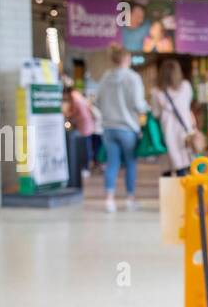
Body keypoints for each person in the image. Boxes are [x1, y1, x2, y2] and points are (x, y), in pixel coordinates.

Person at [95, 45, 150, 212]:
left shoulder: (105, 78)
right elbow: (138, 104)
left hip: (109, 128)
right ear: (127, 59)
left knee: (112, 163)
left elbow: (97, 101)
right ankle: (130, 198)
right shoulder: (133, 78)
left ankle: (109, 200)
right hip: (128, 128)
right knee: (131, 164)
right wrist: (147, 109)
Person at [152, 59, 196, 178]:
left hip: (166, 131)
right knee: (183, 165)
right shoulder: (186, 87)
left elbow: (155, 113)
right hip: (185, 131)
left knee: (167, 167)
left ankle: (167, 195)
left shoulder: (157, 91)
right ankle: (182, 194)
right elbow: (187, 105)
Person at [61, 81, 96, 174]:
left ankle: (86, 167)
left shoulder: (74, 97)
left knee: (85, 146)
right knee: (86, 145)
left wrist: (67, 115)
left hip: (83, 124)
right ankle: (86, 166)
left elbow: (74, 111)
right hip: (85, 123)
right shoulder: (77, 95)